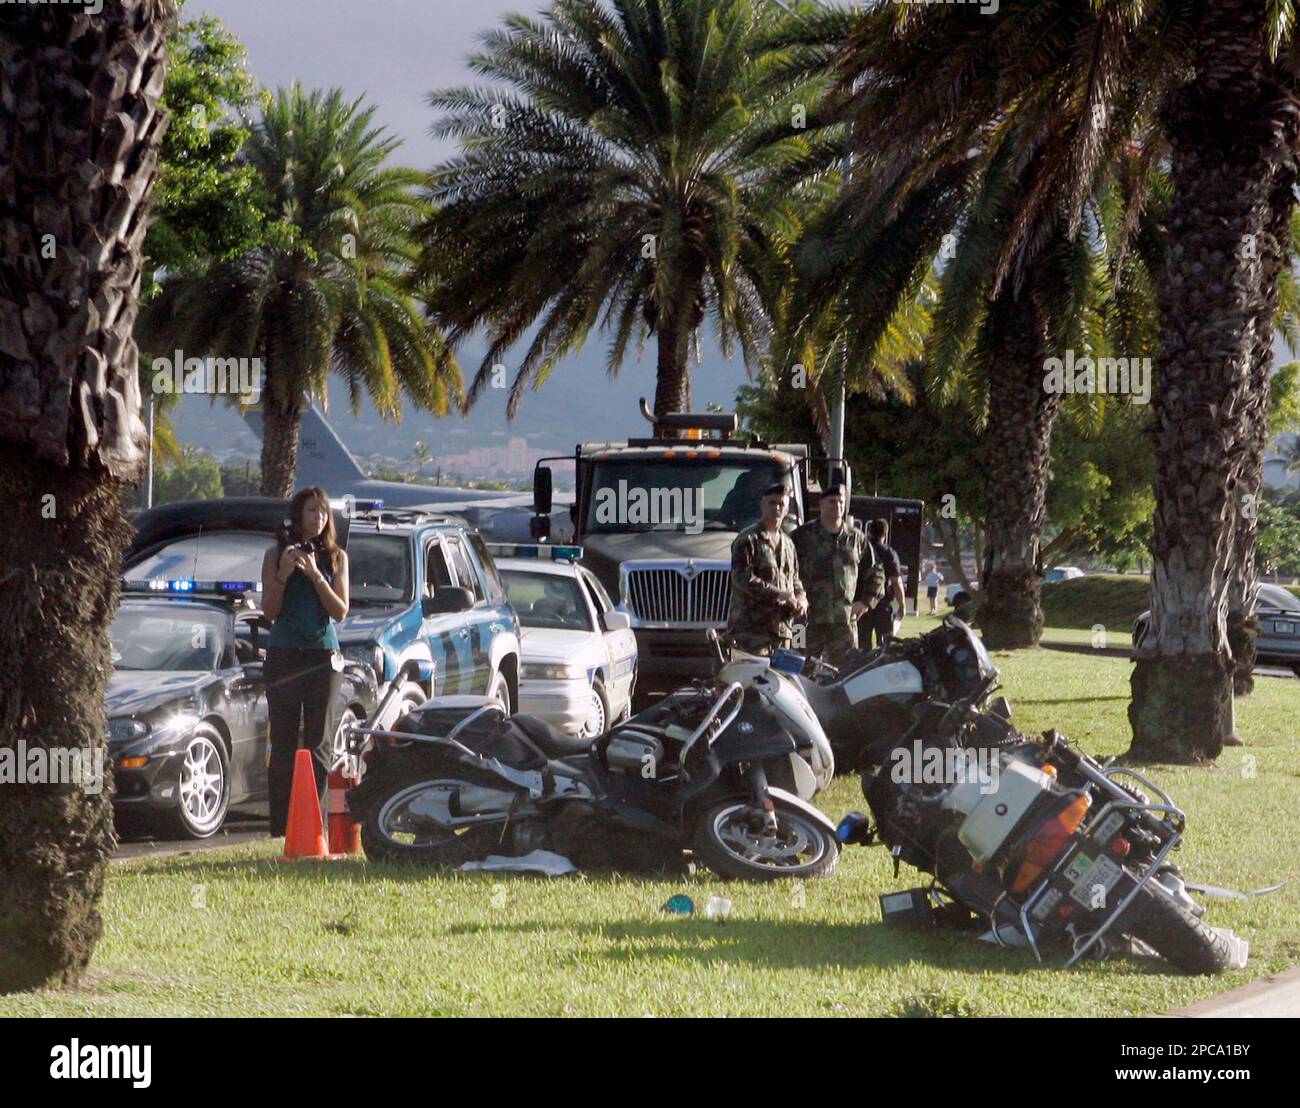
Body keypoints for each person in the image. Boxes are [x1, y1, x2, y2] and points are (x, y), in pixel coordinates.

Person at [260, 486, 351, 838]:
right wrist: (284, 573)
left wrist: (315, 575)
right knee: (282, 744)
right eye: (312, 510)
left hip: (323, 659)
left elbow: (340, 610)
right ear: (298, 515)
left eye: (324, 512)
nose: (318, 517)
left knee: (319, 745)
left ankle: (317, 827)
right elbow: (270, 610)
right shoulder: (275, 554)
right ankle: (281, 828)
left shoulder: (336, 557)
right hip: (283, 655)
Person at [792, 484, 884, 664]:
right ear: (821, 504)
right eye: (832, 502)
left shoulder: (856, 538)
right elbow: (787, 569)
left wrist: (866, 601)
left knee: (844, 672)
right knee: (801, 669)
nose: (837, 506)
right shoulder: (803, 536)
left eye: (841, 502)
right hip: (807, 620)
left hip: (844, 622)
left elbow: (876, 570)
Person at [725, 483, 806, 655]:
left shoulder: (788, 544)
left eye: (781, 504)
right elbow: (742, 579)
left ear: (786, 510)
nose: (776, 508)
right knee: (750, 680)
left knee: (780, 680)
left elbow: (795, 579)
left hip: (781, 629)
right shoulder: (748, 540)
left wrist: (801, 599)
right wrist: (779, 594)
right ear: (762, 506)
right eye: (772, 503)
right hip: (751, 631)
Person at [861, 518, 906, 650]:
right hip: (881, 605)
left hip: (862, 604)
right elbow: (896, 582)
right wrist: (902, 605)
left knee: (863, 645)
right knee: (886, 645)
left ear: (868, 532)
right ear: (885, 535)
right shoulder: (889, 553)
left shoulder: (861, 550)